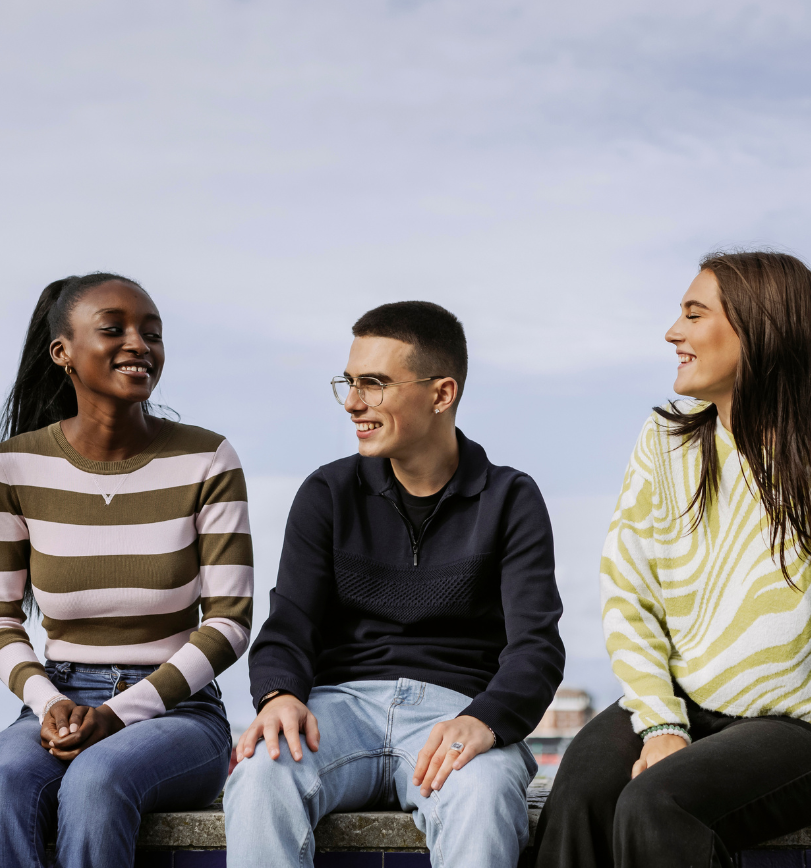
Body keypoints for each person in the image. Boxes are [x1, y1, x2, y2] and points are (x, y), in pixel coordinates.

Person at [534, 251, 811, 868]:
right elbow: (629, 590)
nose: (674, 333)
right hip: (679, 704)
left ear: (759, 329)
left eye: (694, 315)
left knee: (657, 804)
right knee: (582, 789)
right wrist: (661, 724)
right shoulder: (665, 440)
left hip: (798, 731)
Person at [224, 300, 564, 868]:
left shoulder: (511, 499)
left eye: (375, 384)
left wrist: (486, 719)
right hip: (335, 713)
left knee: (484, 792)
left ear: (441, 393)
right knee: (259, 777)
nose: (354, 403)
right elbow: (290, 625)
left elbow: (536, 646)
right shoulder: (326, 492)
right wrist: (279, 692)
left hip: (456, 712)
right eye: (350, 383)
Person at [0, 273, 253, 868]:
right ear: (62, 352)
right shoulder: (15, 468)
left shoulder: (206, 457)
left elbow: (231, 621)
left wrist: (119, 713)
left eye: (152, 334)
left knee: (96, 781)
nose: (139, 344)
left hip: (179, 711)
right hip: (59, 697)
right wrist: (45, 701)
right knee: (5, 781)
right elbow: (4, 618)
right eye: (114, 330)